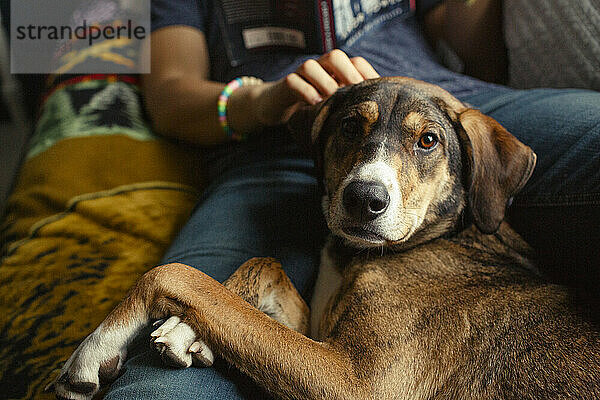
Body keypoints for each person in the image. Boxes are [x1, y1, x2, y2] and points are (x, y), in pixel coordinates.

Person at [104, 0, 600, 398]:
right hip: (273, 144)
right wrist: (261, 100)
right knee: (162, 379)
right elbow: (171, 98)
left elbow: (481, 54)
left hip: (454, 110)